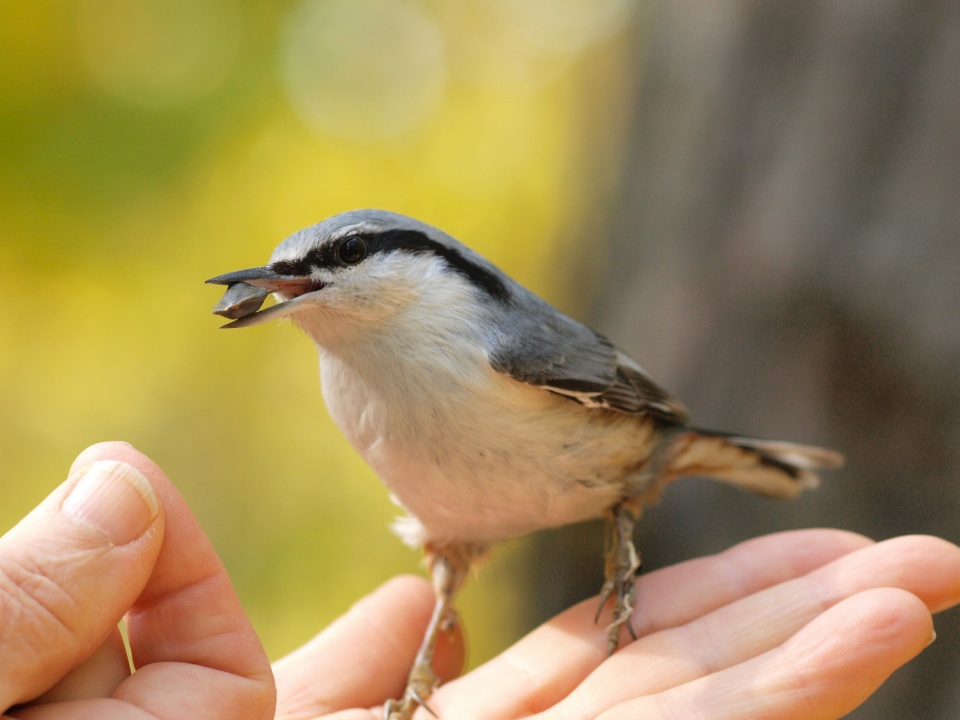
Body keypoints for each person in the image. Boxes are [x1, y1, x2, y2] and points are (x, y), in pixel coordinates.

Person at [1, 442, 957, 719]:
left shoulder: (500, 350)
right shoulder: (363, 391)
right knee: (436, 585)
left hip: (623, 462)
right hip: (458, 541)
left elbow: (626, 421)